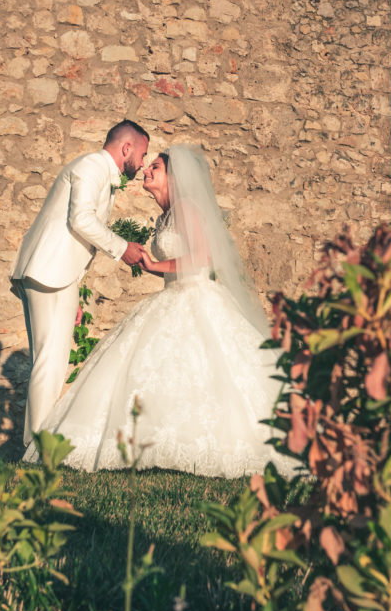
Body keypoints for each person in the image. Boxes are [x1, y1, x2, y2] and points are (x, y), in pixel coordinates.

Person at [23, 145, 298, 478]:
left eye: (155, 166)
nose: (146, 170)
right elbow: (176, 262)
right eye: (148, 164)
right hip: (172, 294)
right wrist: (151, 264)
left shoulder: (186, 207)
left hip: (196, 297)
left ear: (174, 177)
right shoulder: (165, 216)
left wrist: (154, 264)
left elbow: (201, 258)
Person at [11, 120, 150, 448]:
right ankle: (37, 448)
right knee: (50, 362)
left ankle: (37, 444)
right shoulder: (92, 166)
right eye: (143, 154)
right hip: (49, 271)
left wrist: (73, 289)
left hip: (59, 275)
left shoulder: (98, 170)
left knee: (51, 361)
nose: (143, 163)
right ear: (126, 148)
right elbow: (81, 220)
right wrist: (122, 248)